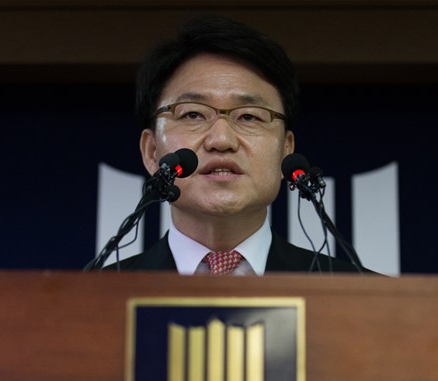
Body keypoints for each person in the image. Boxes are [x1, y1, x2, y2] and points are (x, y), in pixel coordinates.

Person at [106, 15, 363, 275]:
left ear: (285, 151)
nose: (221, 140)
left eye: (249, 116)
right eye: (193, 114)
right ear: (151, 151)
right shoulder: (96, 292)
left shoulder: (358, 291)